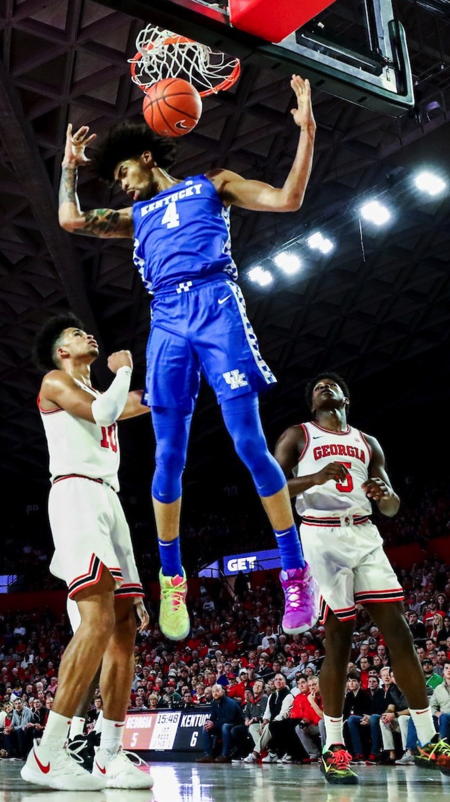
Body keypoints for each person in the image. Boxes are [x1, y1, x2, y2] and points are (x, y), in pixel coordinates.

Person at [57, 75, 318, 642]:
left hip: (217, 305)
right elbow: (71, 220)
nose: (122, 185)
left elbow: (287, 199)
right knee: (168, 455)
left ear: (146, 158)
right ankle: (172, 577)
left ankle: (295, 571)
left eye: (122, 172)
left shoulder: (212, 185)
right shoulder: (137, 217)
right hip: (168, 320)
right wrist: (69, 169)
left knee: (248, 443)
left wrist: (307, 132)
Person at [275, 372, 450, 783]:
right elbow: (270, 487)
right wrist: (315, 478)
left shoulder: (367, 442)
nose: (323, 387)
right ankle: (334, 746)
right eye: (316, 387)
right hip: (321, 533)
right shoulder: (298, 435)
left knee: (399, 631)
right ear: (312, 403)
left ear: (346, 398)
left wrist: (385, 495)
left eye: (330, 385)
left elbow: (391, 506)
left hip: (365, 532)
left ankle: (427, 738)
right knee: (339, 638)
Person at [21, 315, 152, 791]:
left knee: (124, 627)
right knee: (96, 617)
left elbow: (143, 401)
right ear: (62, 352)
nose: (87, 335)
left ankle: (109, 755)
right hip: (75, 492)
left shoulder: (102, 392)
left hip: (109, 498)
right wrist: (124, 370)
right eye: (76, 335)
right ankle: (48, 753)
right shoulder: (55, 381)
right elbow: (104, 413)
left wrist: (186, 370)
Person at [196, 685, 246, 763]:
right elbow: (213, 717)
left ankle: (225, 755)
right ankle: (208, 755)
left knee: (225, 726)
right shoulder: (214, 703)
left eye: (217, 691)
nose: (215, 693)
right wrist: (210, 722)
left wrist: (214, 724)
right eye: (213, 691)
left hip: (237, 724)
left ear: (223, 691)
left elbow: (229, 719)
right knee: (206, 726)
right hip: (222, 724)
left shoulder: (230, 703)